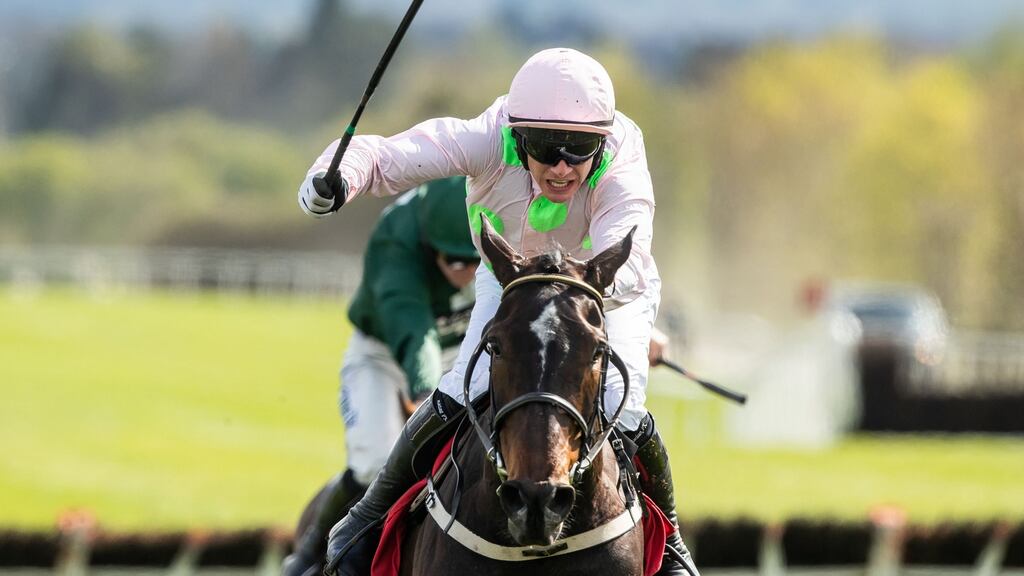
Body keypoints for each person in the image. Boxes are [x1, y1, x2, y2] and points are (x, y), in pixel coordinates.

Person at [298, 47, 698, 576]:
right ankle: (366, 517)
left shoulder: (624, 158)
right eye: (544, 146)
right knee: (465, 385)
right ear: (516, 134)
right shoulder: (486, 137)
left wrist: (571, 314)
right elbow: (387, 155)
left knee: (621, 407)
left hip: (607, 287)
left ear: (601, 143)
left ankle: (670, 543)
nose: (561, 166)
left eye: (578, 150)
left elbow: (624, 257)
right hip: (512, 278)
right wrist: (335, 178)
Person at [283, 176, 479, 576]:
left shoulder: (505, 217)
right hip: (384, 355)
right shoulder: (396, 241)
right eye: (456, 262)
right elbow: (414, 328)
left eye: (477, 260)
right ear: (428, 247)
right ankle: (310, 556)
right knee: (375, 460)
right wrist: (427, 390)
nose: (469, 272)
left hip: (465, 354)